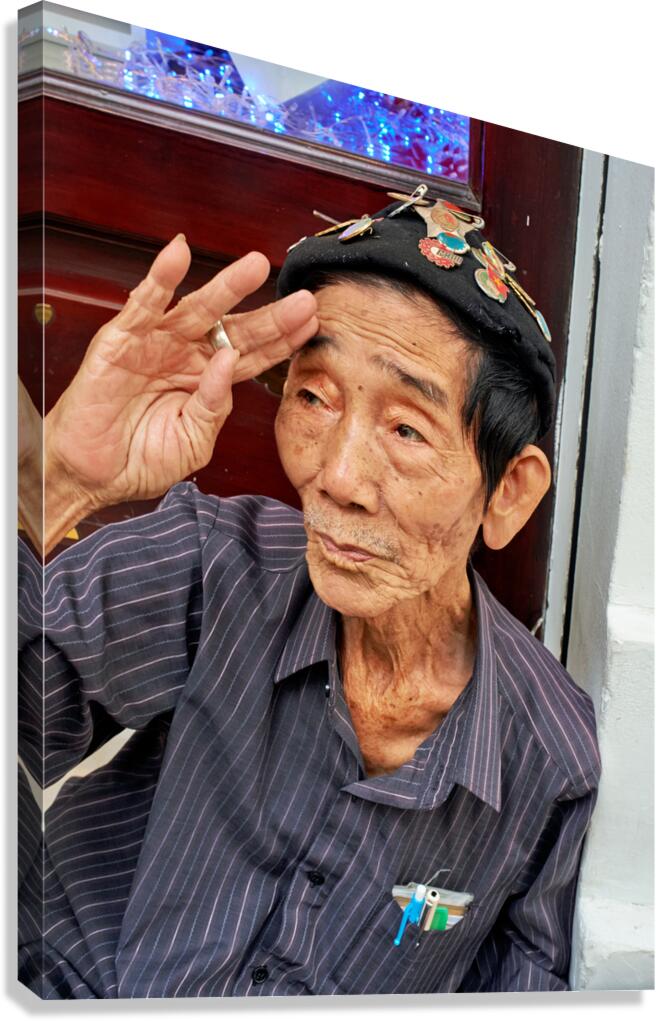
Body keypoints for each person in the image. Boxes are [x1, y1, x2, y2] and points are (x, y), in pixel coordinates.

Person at [18, 189, 600, 998]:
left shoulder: (549, 761)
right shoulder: (219, 564)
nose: (336, 477)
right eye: (314, 397)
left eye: (406, 428)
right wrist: (53, 484)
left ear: (508, 493)